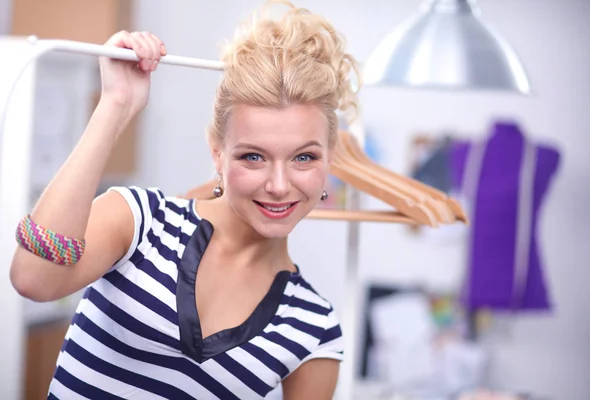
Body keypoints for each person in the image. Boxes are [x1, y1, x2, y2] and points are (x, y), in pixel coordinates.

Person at [10, 1, 360, 399]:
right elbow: (33, 278)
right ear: (217, 154)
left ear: (329, 157)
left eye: (304, 157)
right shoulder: (140, 223)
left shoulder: (313, 327)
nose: (279, 185)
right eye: (253, 156)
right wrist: (116, 105)